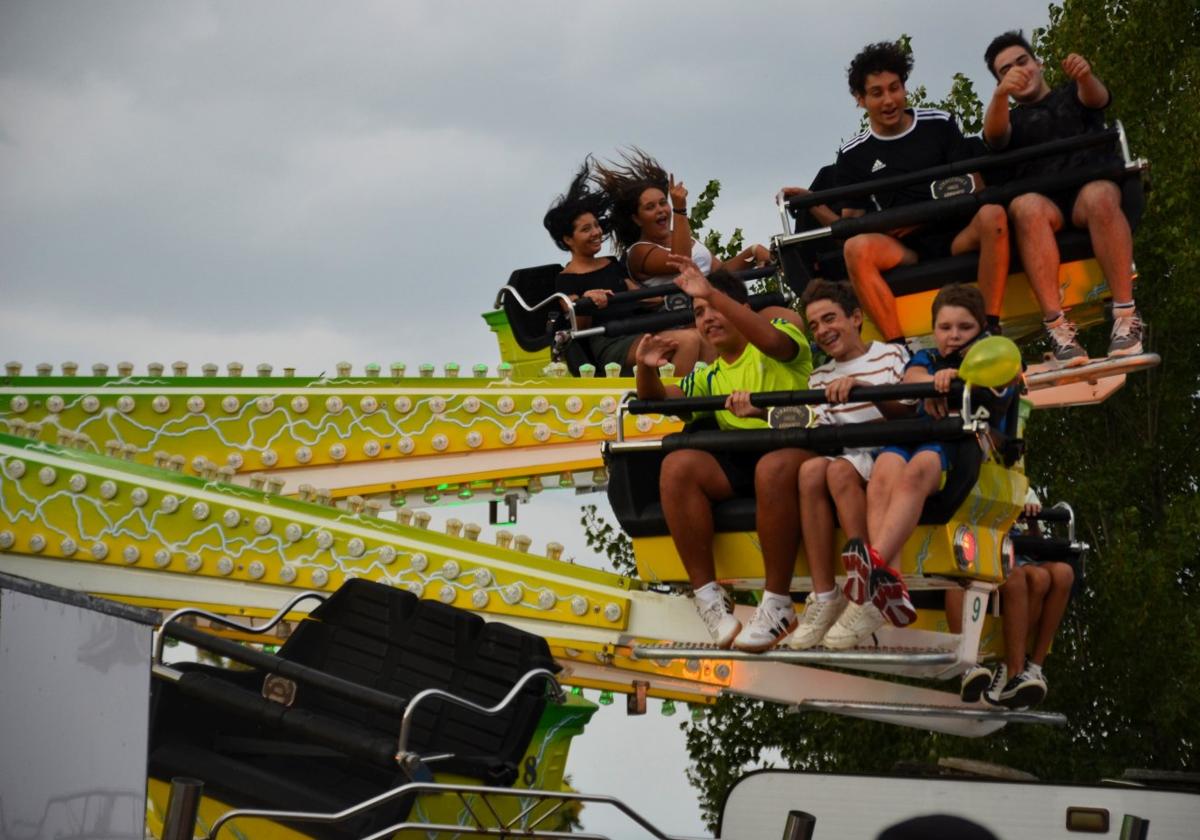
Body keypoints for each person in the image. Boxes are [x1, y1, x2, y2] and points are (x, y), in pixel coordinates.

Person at [635, 256, 813, 650]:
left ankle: (778, 604)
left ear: (741, 309)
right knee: (677, 465)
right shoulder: (709, 373)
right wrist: (646, 369)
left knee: (771, 467)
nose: (707, 317)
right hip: (742, 459)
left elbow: (771, 341)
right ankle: (709, 599)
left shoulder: (779, 332)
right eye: (699, 312)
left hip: (797, 449)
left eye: (714, 308)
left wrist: (711, 291)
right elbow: (662, 400)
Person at [828, 284, 1014, 648]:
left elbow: (998, 387)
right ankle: (888, 581)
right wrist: (934, 384)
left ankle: (874, 563)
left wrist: (957, 379)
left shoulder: (996, 358)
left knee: (916, 472)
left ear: (981, 330)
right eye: (945, 328)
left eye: (964, 328)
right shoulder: (926, 359)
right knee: (884, 471)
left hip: (957, 445)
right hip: (917, 434)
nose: (954, 336)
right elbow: (911, 380)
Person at [832, 41, 1011, 343]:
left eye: (895, 88)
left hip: (958, 236)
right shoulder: (852, 155)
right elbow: (852, 222)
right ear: (859, 99)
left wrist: (920, 215)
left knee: (994, 214)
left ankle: (990, 325)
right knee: (856, 249)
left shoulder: (939, 124)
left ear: (904, 88)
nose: (889, 100)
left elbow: (975, 183)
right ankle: (895, 346)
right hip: (905, 251)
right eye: (877, 93)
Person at [983, 30, 1143, 364]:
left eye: (1022, 61)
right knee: (1025, 208)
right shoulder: (1009, 119)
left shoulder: (1074, 95)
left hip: (1090, 193)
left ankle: (1126, 316)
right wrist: (1000, 96)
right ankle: (1057, 327)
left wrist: (1084, 74)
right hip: (1046, 206)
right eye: (1005, 70)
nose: (1018, 70)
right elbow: (994, 135)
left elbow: (1097, 98)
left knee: (1100, 195)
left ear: (1038, 63)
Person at [770, 280, 913, 650]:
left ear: (856, 317)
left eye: (829, 318)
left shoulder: (891, 357)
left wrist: (862, 389)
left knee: (836, 469)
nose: (822, 330)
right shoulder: (819, 377)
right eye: (814, 325)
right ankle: (825, 594)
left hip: (888, 457)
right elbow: (820, 431)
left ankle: (867, 587)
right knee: (811, 470)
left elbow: (907, 414)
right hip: (847, 457)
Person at [592, 149, 774, 296]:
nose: (661, 210)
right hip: (681, 321)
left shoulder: (684, 239)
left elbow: (721, 274)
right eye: (650, 207)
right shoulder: (639, 251)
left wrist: (753, 252)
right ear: (637, 219)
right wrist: (680, 209)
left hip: (714, 306)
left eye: (663, 203)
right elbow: (682, 260)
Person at [953, 488, 1074, 708]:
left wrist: (1033, 521)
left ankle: (1033, 668)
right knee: (1030, 579)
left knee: (1064, 574)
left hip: (1025, 556)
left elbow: (1039, 544)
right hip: (996, 560)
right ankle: (1012, 669)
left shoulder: (1024, 491)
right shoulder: (981, 485)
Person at [543, 161, 641, 372]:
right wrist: (587, 301)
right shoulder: (567, 279)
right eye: (586, 229)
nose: (596, 232)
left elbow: (641, 296)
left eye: (596, 225)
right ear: (569, 239)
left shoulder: (612, 263)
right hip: (608, 344)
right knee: (682, 342)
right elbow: (579, 328)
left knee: (693, 337)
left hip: (638, 330)